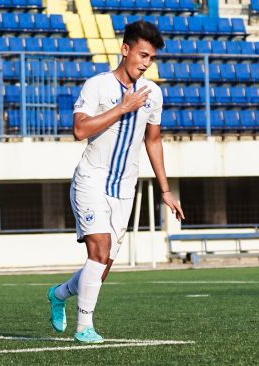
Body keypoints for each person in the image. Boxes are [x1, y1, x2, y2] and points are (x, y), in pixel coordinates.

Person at [47, 21, 185, 343]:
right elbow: (79, 131)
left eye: (150, 58)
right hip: (91, 179)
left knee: (102, 267)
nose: (146, 63)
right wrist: (122, 108)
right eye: (142, 55)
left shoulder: (153, 94)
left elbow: (153, 141)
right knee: (100, 248)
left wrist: (165, 190)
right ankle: (85, 328)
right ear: (125, 50)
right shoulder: (97, 86)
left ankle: (59, 294)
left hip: (124, 190)